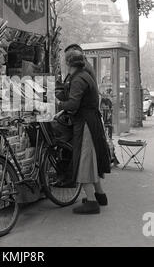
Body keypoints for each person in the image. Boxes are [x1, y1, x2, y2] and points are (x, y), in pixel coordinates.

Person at [56, 51, 111, 215]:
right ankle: (100, 195)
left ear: (68, 63)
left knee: (84, 161)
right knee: (92, 160)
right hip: (92, 122)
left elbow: (73, 104)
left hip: (86, 123)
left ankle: (92, 203)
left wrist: (58, 104)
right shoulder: (86, 75)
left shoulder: (78, 79)